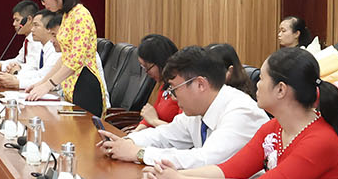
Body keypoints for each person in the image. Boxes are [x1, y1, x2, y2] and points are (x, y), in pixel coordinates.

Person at [141, 46, 338, 179]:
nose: (257, 85)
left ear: (281, 89)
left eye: (262, 79)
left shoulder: (320, 141)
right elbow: (228, 171)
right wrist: (170, 176)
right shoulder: (272, 128)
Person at [98, 46, 267, 167]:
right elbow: (164, 136)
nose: (172, 96)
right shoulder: (199, 110)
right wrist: (126, 142)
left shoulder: (240, 111)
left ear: (200, 84)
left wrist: (139, 153)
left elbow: (206, 161)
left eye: (174, 88)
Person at [21, 0, 107, 116]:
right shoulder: (67, 15)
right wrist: (42, 83)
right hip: (72, 85)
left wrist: (48, 85)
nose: (43, 4)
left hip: (85, 85)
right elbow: (65, 57)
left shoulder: (81, 15)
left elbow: (75, 60)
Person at [0, 0, 40, 84]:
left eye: (17, 20)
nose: (14, 24)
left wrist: (2, 66)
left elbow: (32, 68)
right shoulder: (28, 39)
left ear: (29, 19)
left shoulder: (38, 41)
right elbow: (19, 60)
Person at [137, 33, 180, 127]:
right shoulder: (165, 86)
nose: (147, 73)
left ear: (161, 61)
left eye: (147, 67)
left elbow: (181, 132)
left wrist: (154, 121)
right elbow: (150, 118)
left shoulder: (183, 91)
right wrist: (134, 133)